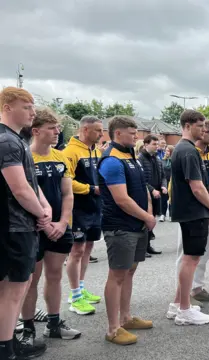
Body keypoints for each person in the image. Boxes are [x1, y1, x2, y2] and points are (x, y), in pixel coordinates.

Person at [22, 107, 81, 345]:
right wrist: (46, 224)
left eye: (58, 127)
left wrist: (63, 222)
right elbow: (23, 194)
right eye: (51, 128)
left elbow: (68, 193)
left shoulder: (60, 157)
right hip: (34, 228)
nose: (57, 132)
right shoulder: (25, 156)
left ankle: (54, 324)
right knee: (30, 280)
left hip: (59, 226)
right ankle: (27, 329)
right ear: (36, 131)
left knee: (55, 276)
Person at [0, 87, 49, 359]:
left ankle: (8, 340)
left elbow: (30, 182)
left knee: (15, 289)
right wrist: (41, 214)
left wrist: (44, 205)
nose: (32, 112)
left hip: (20, 224)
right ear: (7, 107)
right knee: (13, 290)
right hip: (13, 226)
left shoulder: (15, 140)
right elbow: (19, 188)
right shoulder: (6, 141)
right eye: (26, 106)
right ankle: (6, 348)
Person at [98, 116, 155, 345]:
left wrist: (147, 214)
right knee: (117, 274)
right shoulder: (111, 160)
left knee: (129, 271)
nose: (137, 136)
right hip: (120, 227)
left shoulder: (131, 156)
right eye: (132, 132)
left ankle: (126, 317)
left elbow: (143, 189)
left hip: (137, 224)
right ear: (118, 133)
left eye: (136, 132)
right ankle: (113, 328)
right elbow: (121, 199)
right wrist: (147, 217)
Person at [168, 110, 209, 325]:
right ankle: (184, 310)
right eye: (200, 126)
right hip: (194, 211)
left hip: (190, 211)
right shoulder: (188, 151)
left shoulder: (184, 149)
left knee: (189, 259)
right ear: (188, 125)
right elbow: (196, 187)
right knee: (191, 260)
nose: (204, 129)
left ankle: (177, 304)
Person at [63, 115, 104, 315]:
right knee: (76, 251)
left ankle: (80, 287)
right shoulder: (70, 151)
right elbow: (66, 181)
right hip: (77, 209)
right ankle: (74, 296)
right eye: (98, 130)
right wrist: (90, 189)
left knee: (88, 248)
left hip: (94, 207)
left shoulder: (96, 150)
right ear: (85, 130)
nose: (101, 134)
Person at [137, 135, 166, 256]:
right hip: (145, 195)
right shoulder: (140, 159)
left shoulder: (157, 159)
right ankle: (141, 249)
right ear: (145, 145)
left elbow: (163, 175)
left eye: (157, 144)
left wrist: (163, 185)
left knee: (152, 220)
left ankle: (148, 246)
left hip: (156, 195)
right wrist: (152, 189)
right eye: (154, 144)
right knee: (144, 222)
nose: (157, 146)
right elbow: (141, 179)